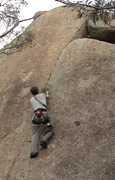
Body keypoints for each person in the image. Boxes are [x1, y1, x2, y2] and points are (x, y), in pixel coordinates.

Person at [30, 86, 54, 158]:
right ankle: (44, 141)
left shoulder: (31, 99)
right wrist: (47, 93)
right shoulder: (42, 95)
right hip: (44, 115)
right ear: (38, 90)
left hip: (36, 117)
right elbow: (47, 97)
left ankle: (34, 152)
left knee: (35, 134)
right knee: (50, 130)